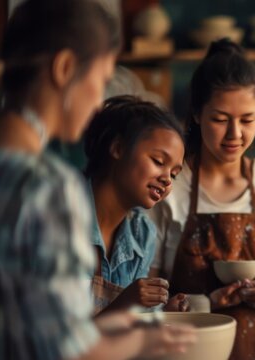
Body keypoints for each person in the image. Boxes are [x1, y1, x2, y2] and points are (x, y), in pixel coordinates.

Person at [0, 1, 195, 359]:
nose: (96, 104)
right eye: (101, 81)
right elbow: (61, 348)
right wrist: (142, 341)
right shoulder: (48, 188)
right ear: (64, 68)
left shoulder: (139, 233)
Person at [149, 39, 255, 359]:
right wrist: (201, 304)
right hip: (183, 349)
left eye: (247, 120)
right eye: (220, 120)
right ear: (196, 113)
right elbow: (146, 292)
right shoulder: (169, 184)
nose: (235, 134)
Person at [84, 95, 189, 314]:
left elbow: (134, 325)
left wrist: (163, 314)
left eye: (174, 174)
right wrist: (123, 305)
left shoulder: (142, 234)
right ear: (118, 148)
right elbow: (49, 341)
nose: (167, 179)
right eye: (159, 162)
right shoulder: (58, 213)